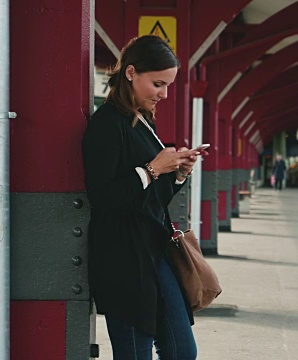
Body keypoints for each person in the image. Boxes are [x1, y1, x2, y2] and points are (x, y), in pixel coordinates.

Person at [82, 35, 205, 359]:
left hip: (155, 250)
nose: (164, 94)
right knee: (134, 353)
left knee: (181, 351)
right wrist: (152, 169)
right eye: (158, 84)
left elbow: (151, 198)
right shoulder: (107, 124)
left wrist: (178, 171)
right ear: (131, 73)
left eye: (168, 85)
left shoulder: (143, 122)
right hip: (124, 259)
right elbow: (103, 197)